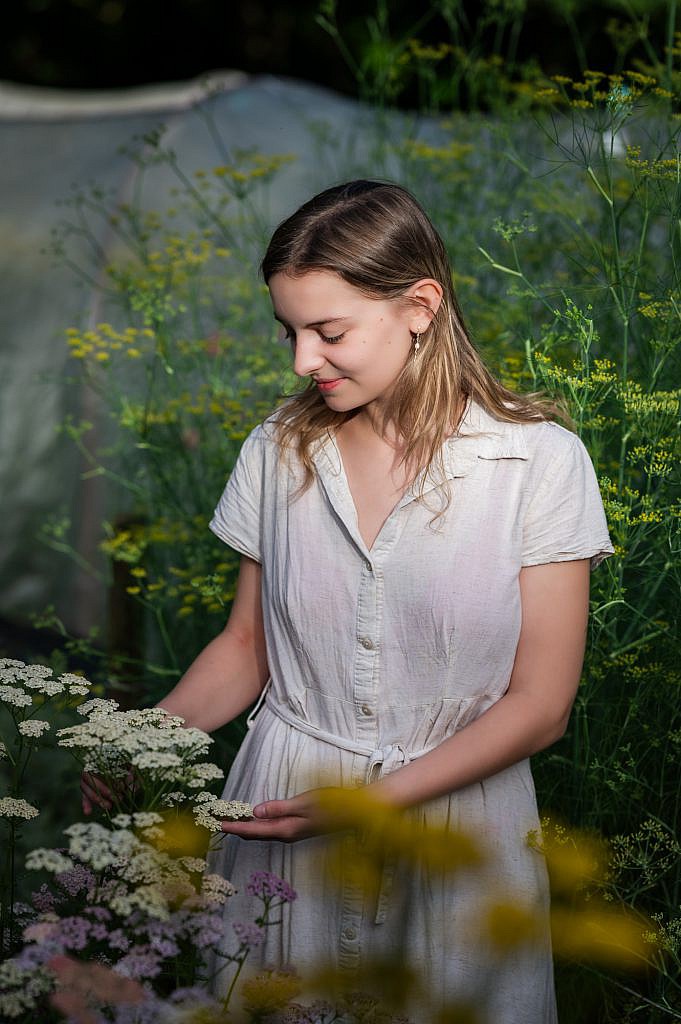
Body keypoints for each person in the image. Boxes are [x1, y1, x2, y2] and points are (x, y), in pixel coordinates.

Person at [82, 179, 613, 1022]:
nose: (301, 361)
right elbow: (246, 647)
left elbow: (541, 706)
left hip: (456, 830)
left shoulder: (538, 464)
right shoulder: (277, 448)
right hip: (282, 809)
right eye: (288, 331)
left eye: (329, 332)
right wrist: (142, 745)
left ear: (419, 306)